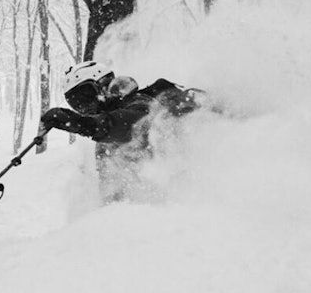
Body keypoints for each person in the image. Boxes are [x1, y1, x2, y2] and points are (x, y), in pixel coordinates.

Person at [41, 60, 202, 201]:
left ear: (103, 85)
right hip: (144, 210)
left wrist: (80, 123)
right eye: (76, 103)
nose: (85, 107)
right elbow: (111, 185)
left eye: (85, 96)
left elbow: (132, 122)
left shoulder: (140, 102)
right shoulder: (104, 139)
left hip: (186, 192)